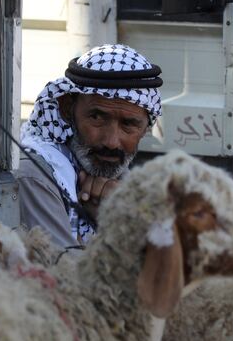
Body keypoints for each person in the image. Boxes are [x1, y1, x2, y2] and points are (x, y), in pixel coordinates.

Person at [16, 44, 162, 246]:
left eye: (129, 125)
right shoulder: (36, 175)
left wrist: (107, 220)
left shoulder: (119, 175)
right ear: (67, 108)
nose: (111, 142)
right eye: (97, 117)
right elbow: (64, 271)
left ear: (146, 127)